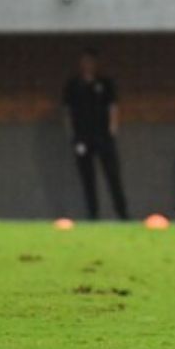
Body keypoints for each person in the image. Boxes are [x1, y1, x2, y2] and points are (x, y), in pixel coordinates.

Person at [62, 48, 129, 220]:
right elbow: (67, 111)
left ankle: (122, 214)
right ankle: (93, 215)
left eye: (90, 62)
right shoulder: (73, 85)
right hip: (83, 137)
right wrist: (72, 134)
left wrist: (112, 129)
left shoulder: (104, 84)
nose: (87, 65)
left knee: (112, 175)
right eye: (84, 62)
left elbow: (112, 106)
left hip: (103, 137)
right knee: (87, 178)